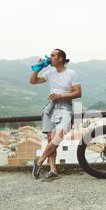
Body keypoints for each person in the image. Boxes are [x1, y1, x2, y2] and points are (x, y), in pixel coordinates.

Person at [29, 48, 82, 181]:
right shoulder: (50, 72)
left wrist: (61, 95)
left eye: (53, 55)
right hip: (50, 108)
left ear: (60, 59)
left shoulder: (71, 73)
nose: (50, 57)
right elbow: (33, 81)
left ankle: (39, 162)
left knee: (58, 137)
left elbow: (78, 93)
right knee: (50, 139)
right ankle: (53, 170)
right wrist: (38, 67)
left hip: (65, 108)